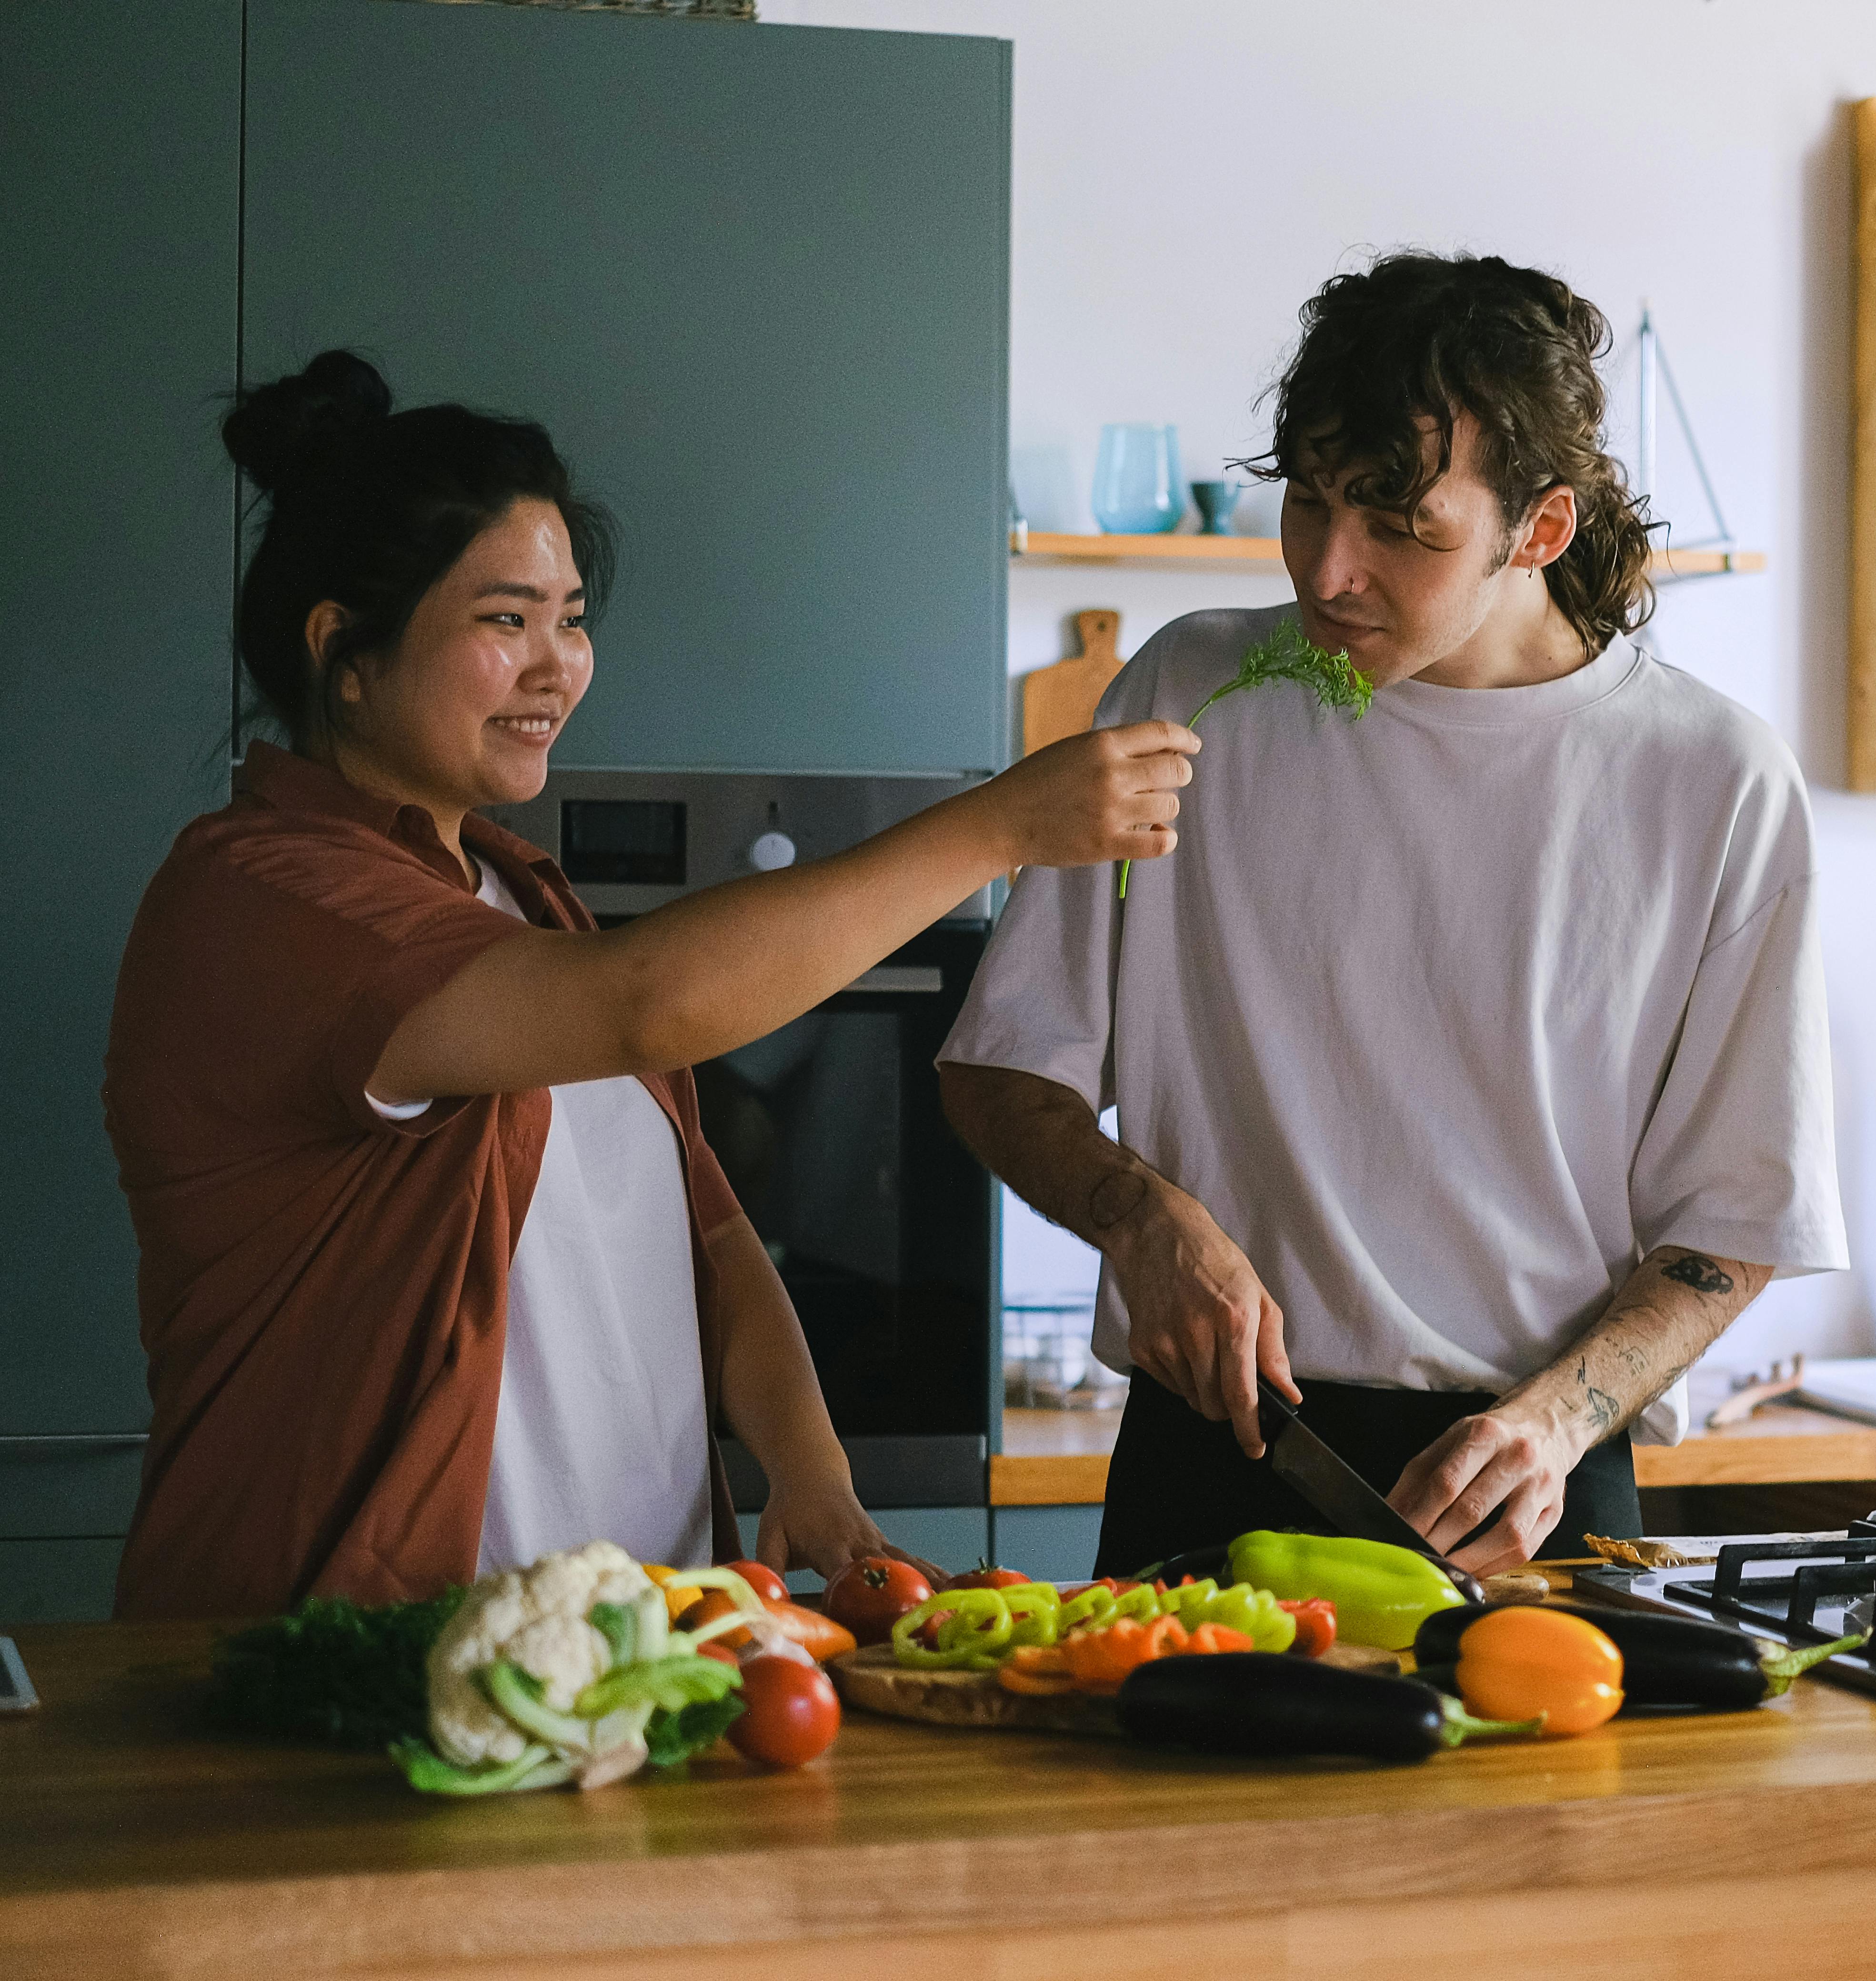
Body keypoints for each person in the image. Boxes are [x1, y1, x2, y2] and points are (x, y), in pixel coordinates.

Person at [104, 351, 1198, 1619]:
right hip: (375, 1660)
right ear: (342, 651)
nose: (556, 664)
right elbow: (648, 1002)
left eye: (570, 619)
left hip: (637, 1649)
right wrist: (997, 826)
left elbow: (714, 1239)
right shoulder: (268, 901)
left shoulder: (521, 893)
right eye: (504, 620)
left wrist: (813, 1470)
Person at [941, 254, 1845, 1578]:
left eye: (1400, 525)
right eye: (1310, 502)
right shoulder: (1192, 691)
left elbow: (1736, 1226)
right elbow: (1002, 1070)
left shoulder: (1713, 780)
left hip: (1530, 1488)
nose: (1331, 570)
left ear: (1539, 529)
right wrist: (1142, 1220)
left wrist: (1557, 1421)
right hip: (1217, 1457)